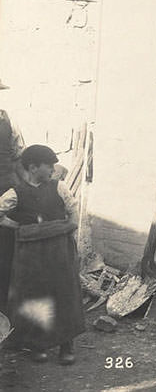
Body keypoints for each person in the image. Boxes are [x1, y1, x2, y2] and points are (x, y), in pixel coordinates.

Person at [0, 145, 85, 365]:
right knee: (34, 295)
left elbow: (73, 213)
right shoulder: (15, 193)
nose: (52, 170)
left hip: (59, 251)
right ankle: (38, 344)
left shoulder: (60, 188)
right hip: (32, 256)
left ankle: (67, 345)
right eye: (49, 166)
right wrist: (15, 225)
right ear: (33, 167)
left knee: (64, 293)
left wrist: (69, 226)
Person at [0, 84, 25, 315]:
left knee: (5, 250)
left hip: (5, 191)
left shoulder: (8, 120)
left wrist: (25, 189)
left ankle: (4, 307)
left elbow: (19, 157)